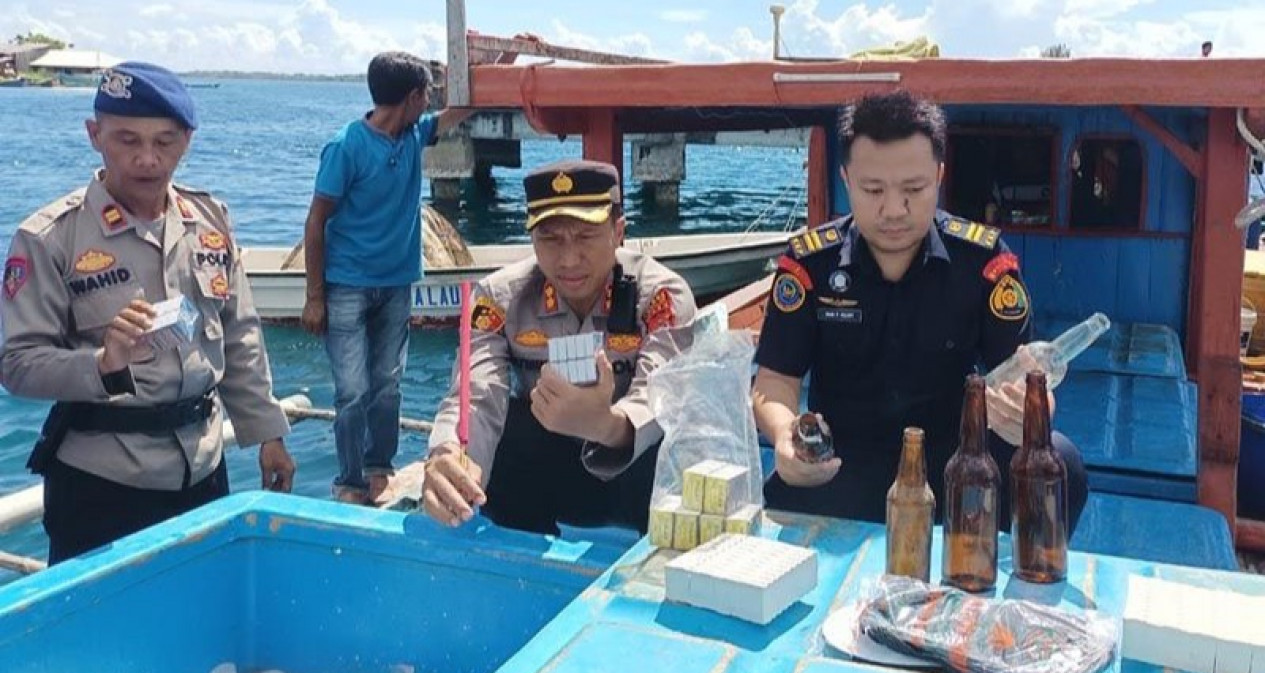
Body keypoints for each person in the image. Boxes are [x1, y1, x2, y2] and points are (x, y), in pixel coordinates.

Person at [752, 90, 1089, 531]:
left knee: (1060, 462)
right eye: (873, 189)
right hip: (841, 462)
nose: (894, 210)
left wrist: (1026, 413)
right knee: (778, 496)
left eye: (914, 188)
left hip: (955, 465)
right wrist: (784, 436)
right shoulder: (809, 265)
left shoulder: (985, 264)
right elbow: (774, 381)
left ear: (939, 176)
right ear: (846, 179)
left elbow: (1029, 376)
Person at [0, 61, 296, 564]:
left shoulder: (209, 220)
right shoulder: (50, 237)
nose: (147, 159)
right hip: (103, 483)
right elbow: (16, 362)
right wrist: (101, 363)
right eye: (127, 140)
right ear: (94, 135)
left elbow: (238, 334)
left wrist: (268, 434)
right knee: (103, 637)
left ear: (188, 139)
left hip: (204, 470)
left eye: (164, 142)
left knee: (203, 624)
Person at [421, 159, 696, 534]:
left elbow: (660, 397)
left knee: (673, 438)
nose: (568, 259)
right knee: (508, 429)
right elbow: (476, 394)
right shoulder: (498, 299)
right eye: (550, 238)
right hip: (552, 476)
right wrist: (448, 453)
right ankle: (521, 554)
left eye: (585, 236)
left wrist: (607, 425)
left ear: (619, 233)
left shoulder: (661, 296)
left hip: (638, 476)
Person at [300, 51, 472, 505]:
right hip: (346, 285)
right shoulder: (346, 147)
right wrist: (314, 295)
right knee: (353, 389)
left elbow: (467, 106)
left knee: (388, 383)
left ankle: (379, 467)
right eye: (428, 94)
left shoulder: (417, 133)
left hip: (397, 283)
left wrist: (500, 57)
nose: (432, 101)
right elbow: (315, 221)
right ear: (414, 96)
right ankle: (349, 480)